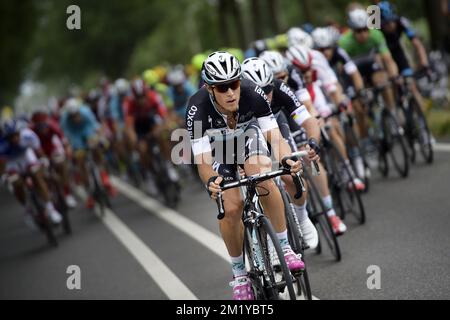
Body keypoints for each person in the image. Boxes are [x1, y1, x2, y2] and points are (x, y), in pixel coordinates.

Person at [186, 51, 305, 300]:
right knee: (231, 207)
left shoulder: (252, 93)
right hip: (219, 150)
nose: (230, 92)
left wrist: (286, 158)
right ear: (209, 88)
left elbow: (273, 135)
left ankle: (284, 247)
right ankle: (240, 274)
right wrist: (211, 181)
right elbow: (203, 161)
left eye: (234, 84)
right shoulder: (196, 107)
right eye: (222, 87)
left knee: (261, 176)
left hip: (249, 139)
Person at [261, 49, 349, 235]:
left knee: (311, 159)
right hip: (268, 121)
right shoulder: (257, 91)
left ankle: (331, 213)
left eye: (283, 76)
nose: (281, 80)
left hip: (288, 112)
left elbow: (305, 106)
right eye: (276, 77)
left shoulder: (290, 77)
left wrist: (313, 129)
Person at [241, 57, 320, 250]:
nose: (265, 95)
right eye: (259, 90)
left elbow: (309, 121)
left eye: (268, 90)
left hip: (276, 127)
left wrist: (313, 142)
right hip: (249, 133)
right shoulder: (237, 97)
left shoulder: (280, 87)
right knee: (257, 181)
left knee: (292, 175)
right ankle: (266, 236)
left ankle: (302, 217)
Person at [0, 119, 62, 227]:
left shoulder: (28, 135)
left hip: (27, 157)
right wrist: (4, 175)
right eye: (11, 137)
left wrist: (43, 159)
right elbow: (2, 163)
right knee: (16, 183)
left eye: (16, 135)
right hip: (12, 162)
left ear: (19, 132)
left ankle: (50, 208)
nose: (14, 139)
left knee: (37, 175)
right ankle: (27, 208)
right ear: (6, 138)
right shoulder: (2, 145)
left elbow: (38, 150)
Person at [60, 98, 116, 208]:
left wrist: (101, 139)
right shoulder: (65, 120)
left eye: (76, 114)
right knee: (80, 160)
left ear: (79, 111)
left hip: (87, 129)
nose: (75, 118)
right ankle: (89, 193)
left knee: (95, 147)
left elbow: (96, 127)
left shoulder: (85, 112)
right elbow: (67, 138)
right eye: (72, 116)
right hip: (75, 135)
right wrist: (70, 149)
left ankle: (104, 177)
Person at [30, 110, 77, 208]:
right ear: (35, 125)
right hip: (37, 153)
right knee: (39, 173)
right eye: (40, 126)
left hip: (52, 148)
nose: (43, 129)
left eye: (44, 125)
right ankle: (48, 194)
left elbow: (63, 140)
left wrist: (67, 150)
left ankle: (67, 194)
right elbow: (30, 151)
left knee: (61, 164)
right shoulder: (31, 131)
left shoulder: (52, 125)